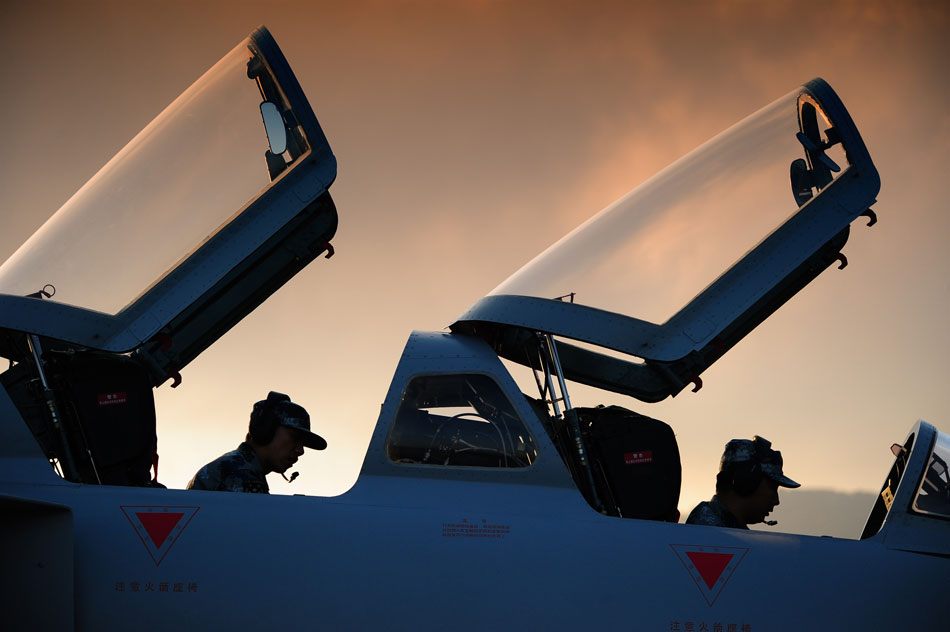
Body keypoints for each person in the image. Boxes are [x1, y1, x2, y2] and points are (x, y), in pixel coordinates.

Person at [187, 391, 327, 493]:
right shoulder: (241, 473)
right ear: (265, 430)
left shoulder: (235, 465)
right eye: (295, 438)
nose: (300, 451)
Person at [686, 435, 799, 529]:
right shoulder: (708, 535)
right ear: (745, 482)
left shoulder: (725, 533)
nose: (776, 500)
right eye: (773, 488)